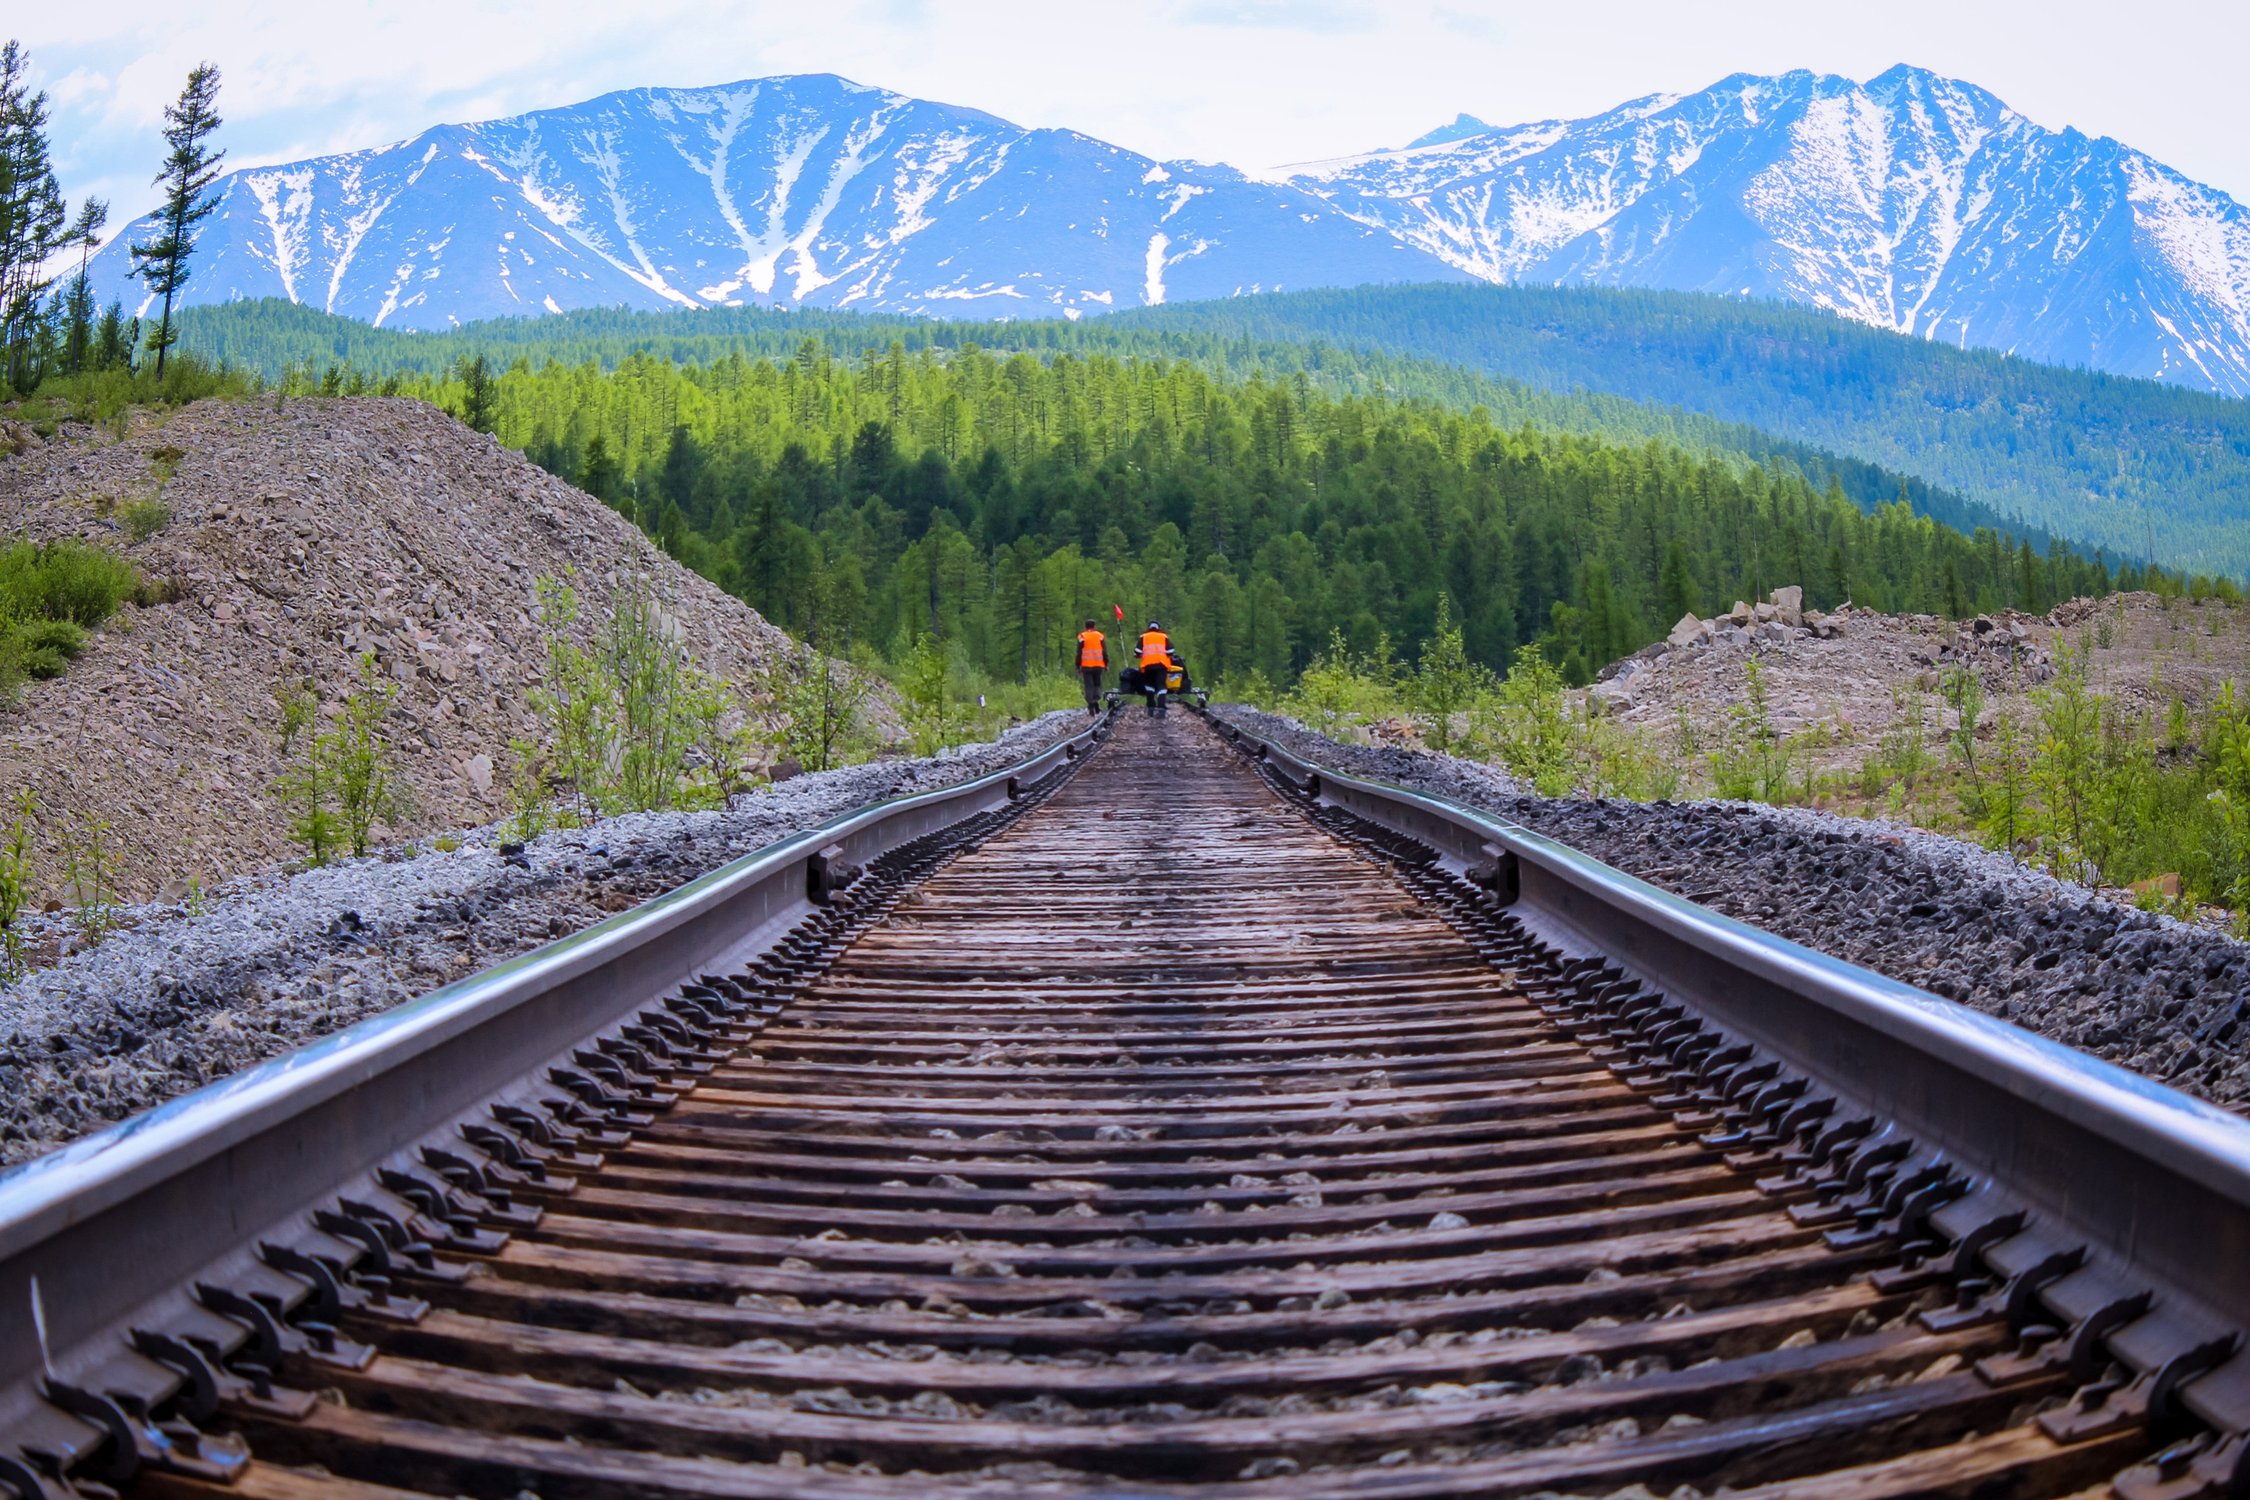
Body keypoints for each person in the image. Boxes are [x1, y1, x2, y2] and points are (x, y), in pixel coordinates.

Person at [1137, 621, 1173, 717]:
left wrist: (1138, 655)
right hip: (1162, 664)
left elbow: (1137, 651)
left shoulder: (1143, 637)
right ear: (1158, 628)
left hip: (1148, 665)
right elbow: (1171, 651)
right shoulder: (1164, 637)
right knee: (1161, 685)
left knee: (1149, 685)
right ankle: (1161, 708)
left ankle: (1151, 707)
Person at [1073, 619, 1109, 715]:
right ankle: (1096, 699)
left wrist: (1077, 666)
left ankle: (1091, 704)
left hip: (1086, 666)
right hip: (1098, 665)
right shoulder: (1100, 636)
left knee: (1089, 686)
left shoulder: (1082, 636)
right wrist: (1106, 664)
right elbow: (1104, 652)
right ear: (1094, 626)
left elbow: (1079, 653)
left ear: (1086, 626)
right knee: (1097, 684)